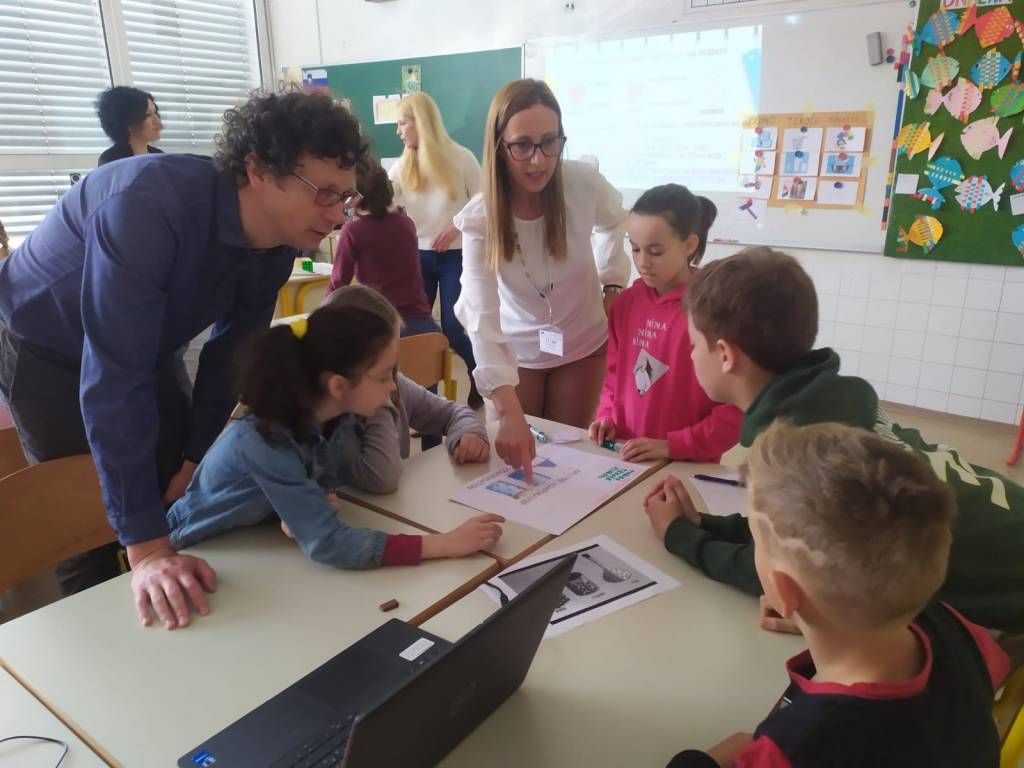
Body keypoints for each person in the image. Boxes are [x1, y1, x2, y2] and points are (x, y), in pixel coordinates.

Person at [0, 89, 371, 630]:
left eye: (346, 197)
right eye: (324, 193)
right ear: (258, 170)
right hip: (46, 348)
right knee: (89, 514)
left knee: (176, 479)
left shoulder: (278, 245)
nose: (337, 216)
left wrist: (196, 457)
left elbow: (230, 357)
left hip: (149, 344)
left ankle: (181, 606)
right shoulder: (148, 206)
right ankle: (106, 632)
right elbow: (114, 380)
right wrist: (147, 548)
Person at [644, 246, 1024, 632]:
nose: (691, 356)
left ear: (725, 355)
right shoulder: (830, 397)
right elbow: (801, 534)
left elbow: (787, 574)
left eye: (693, 344)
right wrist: (708, 524)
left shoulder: (798, 448)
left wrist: (680, 536)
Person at [668, 421, 1009, 768]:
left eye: (757, 540)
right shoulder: (949, 621)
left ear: (785, 592)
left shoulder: (792, 748)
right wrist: (827, 617)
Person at [167, 303, 502, 568]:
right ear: (339, 386)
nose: (392, 386)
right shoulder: (262, 441)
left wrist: (299, 505)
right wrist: (442, 544)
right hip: (198, 551)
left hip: (258, 546)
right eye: (384, 376)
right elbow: (328, 543)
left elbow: (305, 495)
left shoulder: (336, 416)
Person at [455, 79, 630, 481]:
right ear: (499, 146)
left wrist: (613, 282)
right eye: (522, 145)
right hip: (517, 353)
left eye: (550, 142)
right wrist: (506, 409)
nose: (538, 161)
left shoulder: (582, 183)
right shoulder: (481, 218)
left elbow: (615, 221)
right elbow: (479, 313)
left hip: (583, 343)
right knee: (516, 465)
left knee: (566, 461)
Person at [589, 184, 741, 463]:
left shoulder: (714, 308)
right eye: (635, 249)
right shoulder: (626, 304)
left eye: (655, 251)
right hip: (626, 455)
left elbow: (737, 407)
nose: (642, 262)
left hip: (686, 464)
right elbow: (614, 377)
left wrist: (675, 446)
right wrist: (607, 416)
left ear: (690, 245)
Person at [322, 284, 489, 492]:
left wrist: (469, 433)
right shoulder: (320, 423)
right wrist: (380, 404)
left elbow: (453, 412)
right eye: (383, 372)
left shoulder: (395, 385)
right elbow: (383, 477)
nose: (392, 382)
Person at [390, 92, 483, 405]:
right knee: (415, 331)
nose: (398, 131)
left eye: (402, 123)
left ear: (421, 123)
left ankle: (479, 378)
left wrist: (457, 225)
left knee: (455, 328)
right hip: (417, 257)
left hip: (456, 255)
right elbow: (384, 201)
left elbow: (484, 200)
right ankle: (423, 398)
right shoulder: (402, 165)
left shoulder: (462, 157)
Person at [328, 163, 439, 337]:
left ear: (354, 197)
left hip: (382, 327)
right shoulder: (406, 223)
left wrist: (321, 317)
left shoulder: (353, 231)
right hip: (424, 327)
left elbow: (338, 283)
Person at [95, 86, 164, 166]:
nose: (157, 121)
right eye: (148, 114)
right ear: (128, 120)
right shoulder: (111, 161)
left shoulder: (160, 156)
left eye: (155, 112)